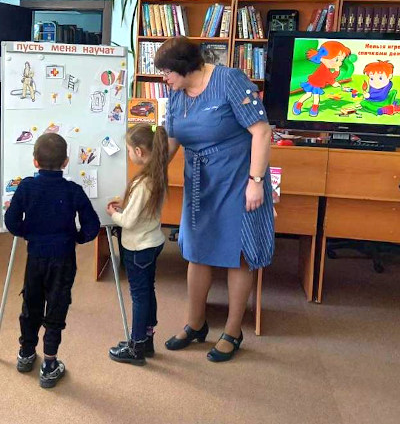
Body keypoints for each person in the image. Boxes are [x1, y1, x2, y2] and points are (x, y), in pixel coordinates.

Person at [155, 36, 275, 362]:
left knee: (237, 255)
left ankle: (233, 331)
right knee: (197, 252)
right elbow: (173, 138)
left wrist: (256, 182)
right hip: (200, 183)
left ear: (183, 67)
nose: (164, 78)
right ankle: (195, 324)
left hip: (238, 179)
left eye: (167, 72)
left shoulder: (229, 80)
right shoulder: (177, 92)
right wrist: (152, 171)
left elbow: (262, 132)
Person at [4, 133, 100, 388]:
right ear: (66, 162)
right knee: (57, 306)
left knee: (31, 303)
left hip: (36, 257)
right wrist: (76, 238)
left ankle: (26, 353)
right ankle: (49, 364)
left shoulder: (26, 187)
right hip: (63, 259)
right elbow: (92, 226)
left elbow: (11, 222)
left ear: (35, 161)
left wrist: (29, 233)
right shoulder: (73, 191)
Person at [106, 123, 169, 366]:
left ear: (139, 152)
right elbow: (141, 211)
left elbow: (128, 222)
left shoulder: (143, 183)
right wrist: (126, 206)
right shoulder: (156, 175)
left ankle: (136, 346)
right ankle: (146, 339)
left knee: (139, 296)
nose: (129, 154)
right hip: (151, 243)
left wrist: (114, 214)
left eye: (130, 150)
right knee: (147, 292)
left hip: (138, 248)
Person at [292, 41, 351, 117]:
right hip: (312, 83)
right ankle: (298, 104)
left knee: (316, 97)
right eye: (336, 60)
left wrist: (337, 70)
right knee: (308, 94)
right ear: (323, 58)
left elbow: (331, 76)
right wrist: (333, 83)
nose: (339, 63)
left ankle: (314, 108)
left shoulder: (326, 68)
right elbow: (329, 78)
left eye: (341, 60)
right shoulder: (324, 69)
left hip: (317, 84)